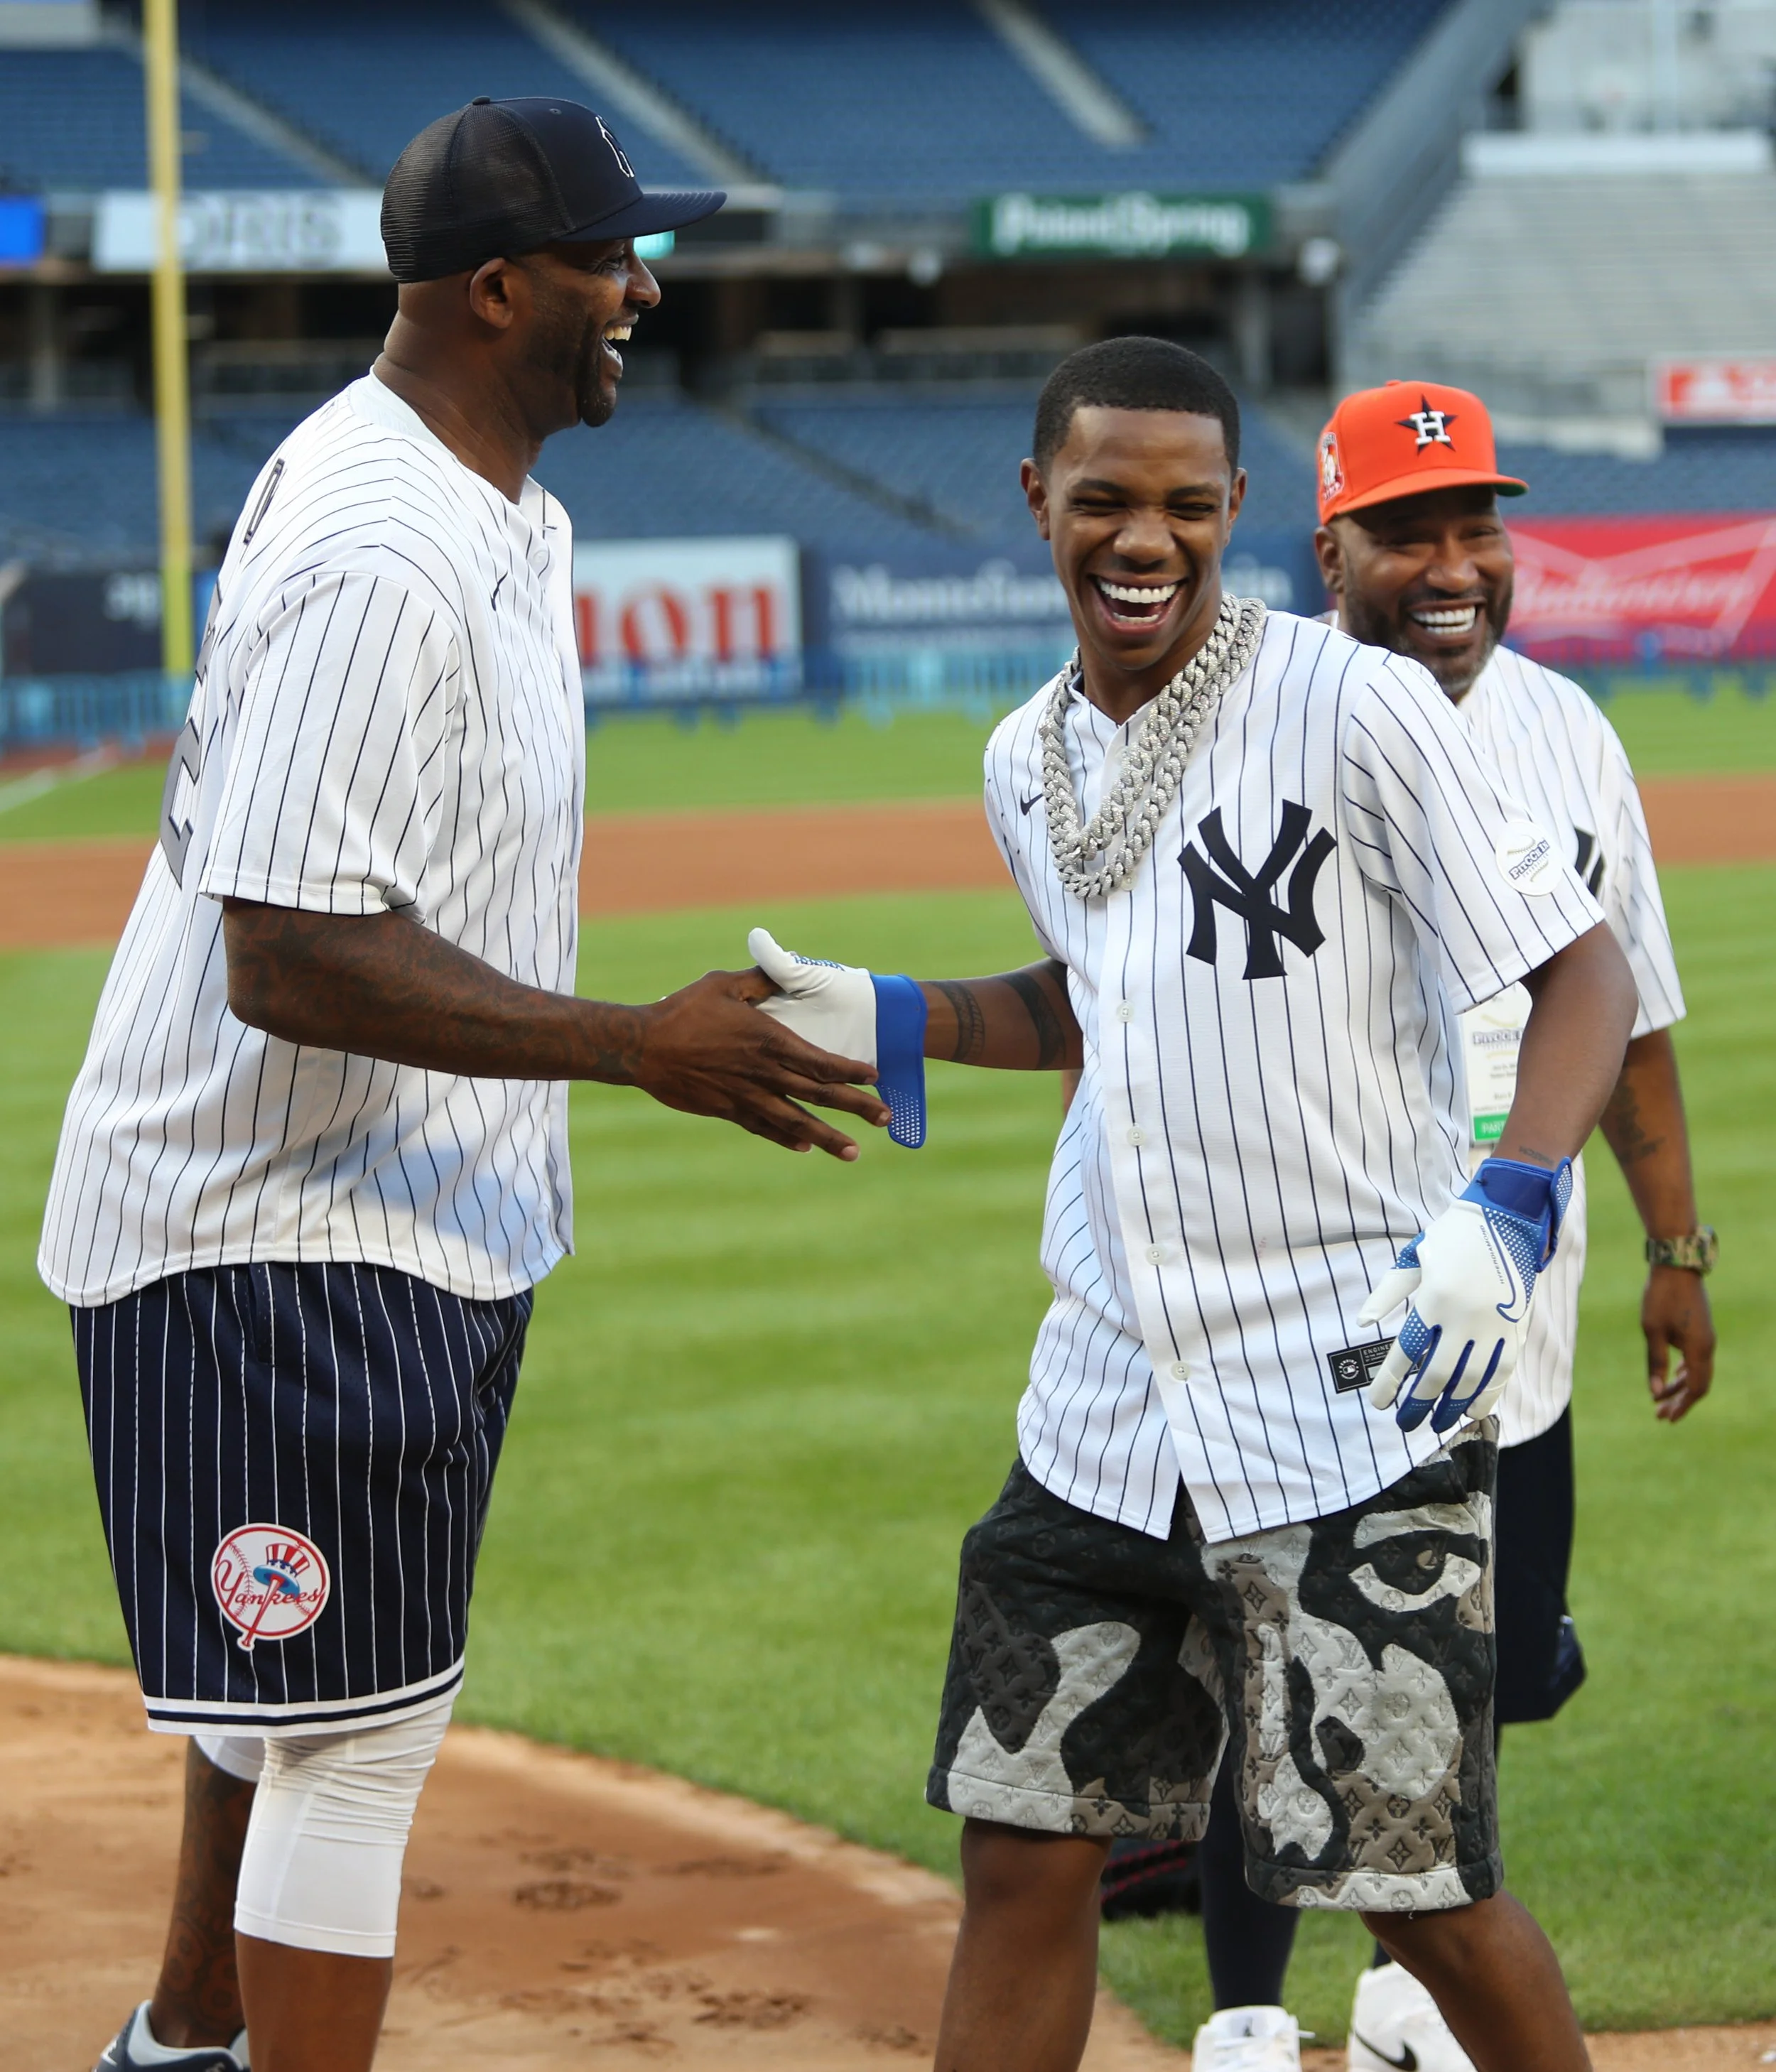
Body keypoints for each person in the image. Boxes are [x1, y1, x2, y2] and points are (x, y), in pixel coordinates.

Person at [43, 99, 884, 2072]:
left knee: (305, 1704)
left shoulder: (485, 499)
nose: (642, 290)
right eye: (609, 258)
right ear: (498, 288)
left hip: (389, 1209)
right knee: (356, 1740)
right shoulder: (381, 545)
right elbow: (285, 951)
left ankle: (186, 2033)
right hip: (267, 1228)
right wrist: (631, 1041)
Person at [745, 335, 1639, 2072]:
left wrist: (1513, 1199)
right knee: (1020, 1851)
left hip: (1340, 1398)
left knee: (1416, 1891)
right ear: (1038, 501)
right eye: (1102, 501)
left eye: (1182, 506)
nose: (1140, 540)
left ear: (1233, 508)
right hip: (1097, 1406)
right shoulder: (1023, 756)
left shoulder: (1354, 706)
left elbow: (1581, 975)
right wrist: (904, 1015)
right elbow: (1106, 998)